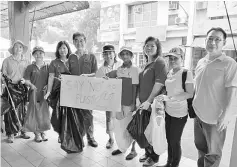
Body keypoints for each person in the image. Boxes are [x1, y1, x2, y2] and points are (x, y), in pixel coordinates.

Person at [192, 27, 237, 167]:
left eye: (217, 39)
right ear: (205, 41)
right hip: (198, 115)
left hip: (215, 119)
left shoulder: (229, 63)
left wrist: (227, 114)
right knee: (200, 150)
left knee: (213, 156)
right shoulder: (201, 62)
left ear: (224, 42)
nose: (213, 42)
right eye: (210, 38)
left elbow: (232, 90)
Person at [44, 41, 85, 153]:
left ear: (68, 49)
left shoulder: (74, 61)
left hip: (72, 94)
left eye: (65, 48)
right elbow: (51, 78)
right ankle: (64, 139)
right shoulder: (54, 63)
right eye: (60, 48)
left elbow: (79, 77)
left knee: (75, 119)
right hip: (59, 94)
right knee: (60, 119)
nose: (63, 50)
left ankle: (76, 142)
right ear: (58, 50)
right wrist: (48, 92)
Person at [156, 47, 194, 167]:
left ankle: (174, 164)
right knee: (169, 139)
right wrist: (163, 96)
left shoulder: (186, 73)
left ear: (182, 58)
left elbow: (189, 93)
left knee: (174, 141)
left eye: (175, 58)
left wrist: (170, 98)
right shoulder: (170, 72)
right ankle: (169, 163)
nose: (172, 61)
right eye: (170, 58)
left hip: (179, 113)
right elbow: (170, 91)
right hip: (168, 110)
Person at [138, 36, 168, 166]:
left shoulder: (159, 62)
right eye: (147, 45)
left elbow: (159, 83)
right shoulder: (145, 64)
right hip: (143, 104)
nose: (149, 48)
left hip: (154, 104)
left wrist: (149, 101)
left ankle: (154, 157)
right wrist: (139, 99)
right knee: (146, 130)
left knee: (154, 131)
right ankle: (148, 152)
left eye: (152, 46)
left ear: (157, 48)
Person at [107, 46, 139, 160]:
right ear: (120, 56)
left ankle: (133, 150)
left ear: (131, 55)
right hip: (118, 102)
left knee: (131, 126)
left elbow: (135, 87)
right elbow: (111, 79)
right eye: (123, 54)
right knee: (119, 126)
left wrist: (134, 104)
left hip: (129, 102)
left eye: (127, 53)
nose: (125, 56)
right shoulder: (119, 69)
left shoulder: (135, 69)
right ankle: (121, 148)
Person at [68, 32, 98, 147]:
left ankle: (90, 137)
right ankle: (79, 137)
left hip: (88, 92)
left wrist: (87, 76)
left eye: (81, 40)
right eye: (76, 40)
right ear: (73, 42)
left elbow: (96, 73)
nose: (79, 43)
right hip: (75, 92)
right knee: (76, 114)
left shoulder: (91, 56)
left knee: (88, 115)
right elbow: (67, 73)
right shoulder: (71, 57)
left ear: (85, 41)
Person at [1, 40, 30, 143]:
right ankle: (10, 133)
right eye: (16, 47)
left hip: (22, 88)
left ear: (23, 49)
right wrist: (4, 80)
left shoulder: (26, 61)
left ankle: (23, 131)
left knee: (22, 110)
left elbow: (29, 75)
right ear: (13, 49)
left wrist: (26, 81)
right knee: (9, 111)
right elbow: (3, 74)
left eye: (20, 47)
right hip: (10, 88)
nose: (18, 49)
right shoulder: (7, 61)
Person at [23, 46, 50, 142]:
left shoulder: (48, 67)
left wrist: (48, 86)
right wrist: (31, 85)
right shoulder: (30, 67)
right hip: (33, 94)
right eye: (36, 53)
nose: (38, 55)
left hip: (44, 95)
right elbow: (26, 80)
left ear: (44, 54)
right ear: (33, 55)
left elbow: (50, 80)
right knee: (35, 113)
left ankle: (43, 132)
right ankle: (37, 133)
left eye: (41, 53)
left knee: (43, 113)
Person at [95, 44, 120, 149]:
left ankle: (121, 140)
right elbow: (96, 84)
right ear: (103, 56)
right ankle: (111, 138)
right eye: (106, 54)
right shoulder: (101, 70)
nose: (108, 56)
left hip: (122, 97)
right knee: (109, 119)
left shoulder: (121, 65)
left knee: (121, 119)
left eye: (110, 53)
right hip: (109, 99)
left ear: (114, 54)